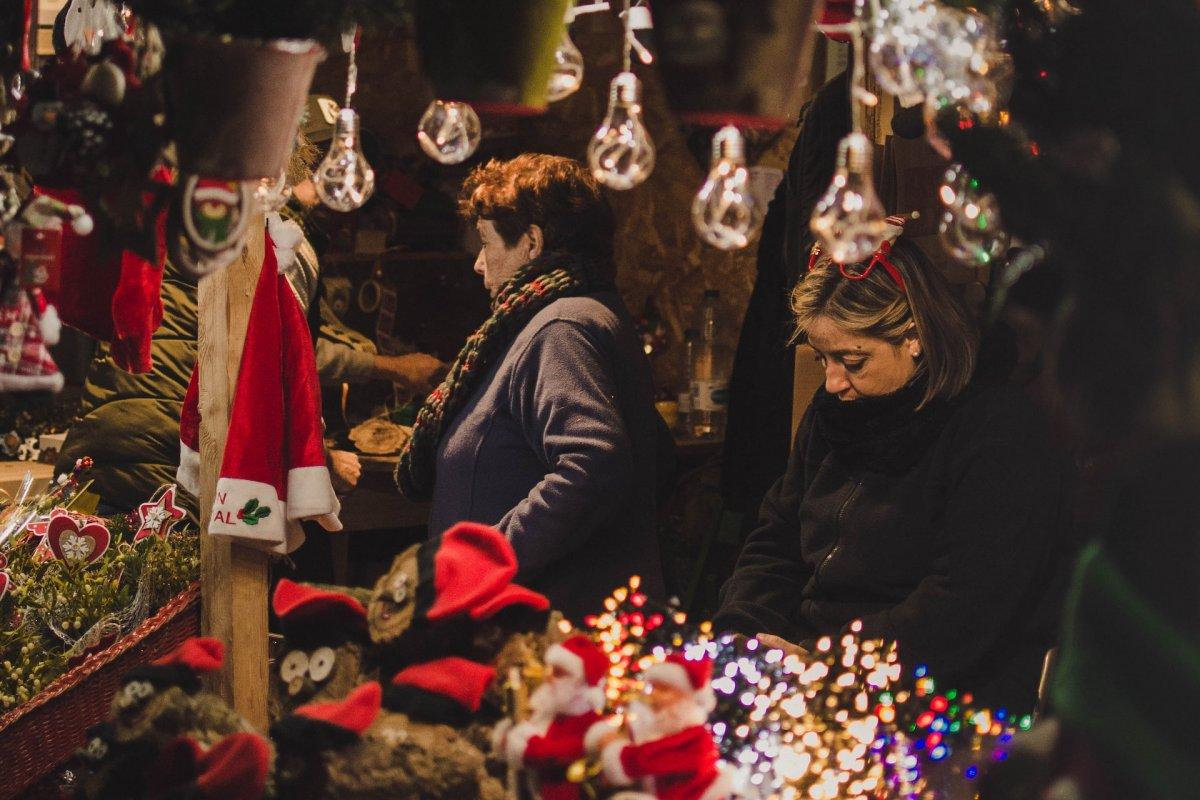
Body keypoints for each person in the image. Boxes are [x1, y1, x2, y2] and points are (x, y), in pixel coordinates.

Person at [713, 229, 1071, 710]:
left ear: (915, 338)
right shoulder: (833, 412)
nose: (832, 382)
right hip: (812, 668)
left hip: (932, 692)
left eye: (852, 360)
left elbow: (964, 605)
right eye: (822, 359)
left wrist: (828, 665)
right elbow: (777, 536)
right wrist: (749, 632)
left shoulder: (997, 429)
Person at [396, 154, 667, 621]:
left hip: (546, 630)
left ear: (532, 243)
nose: (479, 265)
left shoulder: (561, 328)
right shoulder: (570, 315)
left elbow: (593, 461)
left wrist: (484, 561)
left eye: (487, 243)